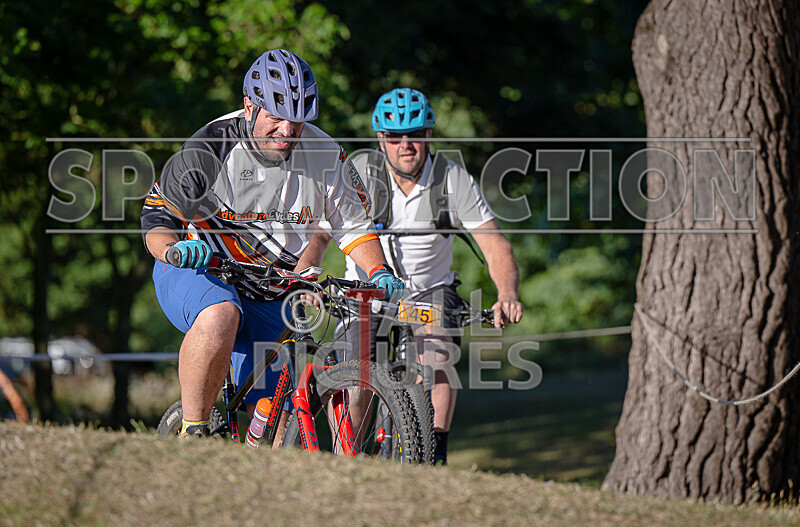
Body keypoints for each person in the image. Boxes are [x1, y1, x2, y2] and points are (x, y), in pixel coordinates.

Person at [140, 49, 403, 437]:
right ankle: (192, 433)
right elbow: (157, 219)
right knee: (220, 313)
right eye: (275, 118)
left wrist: (379, 270)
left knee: (279, 414)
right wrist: (173, 250)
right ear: (249, 107)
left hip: (268, 288)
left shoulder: (326, 153)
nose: (286, 131)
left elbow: (355, 227)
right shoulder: (212, 144)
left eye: (296, 121)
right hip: (200, 270)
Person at [311, 88, 523, 464]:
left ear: (429, 136)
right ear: (381, 139)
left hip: (428, 293)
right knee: (354, 379)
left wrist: (506, 292)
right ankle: (350, 459)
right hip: (366, 292)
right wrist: (305, 276)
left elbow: (494, 244)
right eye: (394, 137)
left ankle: (433, 455)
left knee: (436, 353)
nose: (405, 145)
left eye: (416, 134)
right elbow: (321, 236)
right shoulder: (359, 173)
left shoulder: (452, 180)